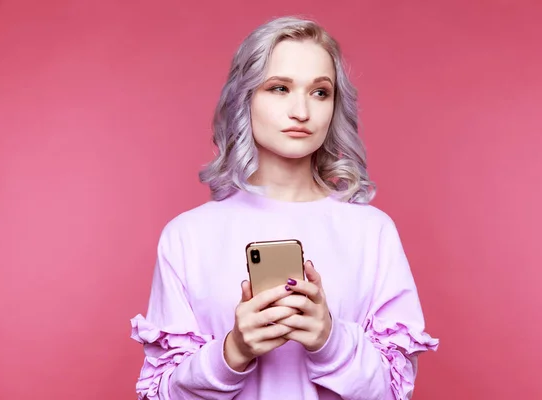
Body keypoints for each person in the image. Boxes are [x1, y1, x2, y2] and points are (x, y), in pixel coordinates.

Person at [130, 15, 438, 400]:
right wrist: (233, 352)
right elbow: (160, 394)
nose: (302, 111)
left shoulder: (371, 231)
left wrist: (330, 339)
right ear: (245, 97)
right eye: (279, 88)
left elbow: (395, 392)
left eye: (320, 92)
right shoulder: (187, 237)